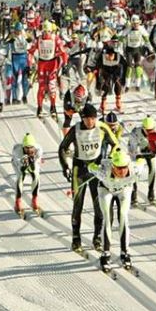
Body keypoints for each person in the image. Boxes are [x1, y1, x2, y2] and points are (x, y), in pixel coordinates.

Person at [58, 102, 114, 252]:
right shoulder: (75, 129)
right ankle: (76, 238)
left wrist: (110, 159)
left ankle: (97, 237)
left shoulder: (102, 127)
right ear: (82, 118)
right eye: (87, 119)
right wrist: (65, 167)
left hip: (96, 170)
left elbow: (116, 145)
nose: (90, 122)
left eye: (93, 119)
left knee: (99, 206)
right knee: (77, 205)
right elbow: (62, 148)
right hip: (80, 170)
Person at [89, 147, 138, 272]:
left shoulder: (134, 169)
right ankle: (105, 254)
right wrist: (91, 166)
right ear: (112, 165)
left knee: (123, 216)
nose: (121, 171)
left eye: (124, 167)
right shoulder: (104, 172)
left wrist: (145, 157)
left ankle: (125, 252)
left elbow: (142, 162)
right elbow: (91, 168)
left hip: (124, 190)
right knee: (107, 217)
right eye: (118, 168)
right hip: (106, 190)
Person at [12, 133, 44, 216]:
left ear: (34, 146)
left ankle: (34, 200)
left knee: (36, 176)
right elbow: (21, 169)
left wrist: (32, 161)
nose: (29, 150)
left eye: (31, 148)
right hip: (18, 163)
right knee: (20, 177)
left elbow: (33, 168)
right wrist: (23, 163)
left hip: (33, 162)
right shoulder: (17, 151)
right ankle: (18, 201)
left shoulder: (39, 150)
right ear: (23, 147)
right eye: (26, 148)